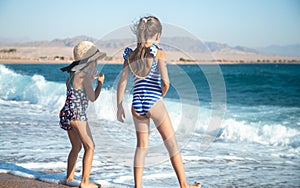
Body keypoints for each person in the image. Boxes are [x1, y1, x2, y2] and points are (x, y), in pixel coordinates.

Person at [116, 16, 201, 188]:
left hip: (136, 103)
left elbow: (122, 82)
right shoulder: (158, 52)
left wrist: (119, 105)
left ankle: (137, 186)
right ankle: (184, 184)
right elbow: (166, 82)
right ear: (157, 35)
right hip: (153, 100)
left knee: (141, 147)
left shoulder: (130, 55)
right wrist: (160, 96)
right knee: (171, 144)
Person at [59, 41, 105, 188]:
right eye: (95, 61)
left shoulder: (72, 76)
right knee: (90, 147)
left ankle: (69, 177)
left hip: (66, 113)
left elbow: (77, 90)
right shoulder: (84, 77)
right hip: (78, 115)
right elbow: (92, 98)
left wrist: (90, 79)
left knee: (76, 147)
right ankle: (85, 182)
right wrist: (100, 84)